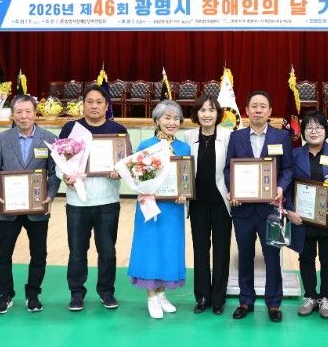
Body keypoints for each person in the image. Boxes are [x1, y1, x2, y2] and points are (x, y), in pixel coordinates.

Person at [224, 90, 294, 323]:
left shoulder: (281, 137)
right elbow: (228, 169)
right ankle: (246, 300)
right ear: (246, 110)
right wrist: (232, 189)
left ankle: (273, 303)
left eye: (263, 106)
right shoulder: (236, 137)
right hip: (243, 209)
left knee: (272, 256)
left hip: (269, 209)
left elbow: (287, 169)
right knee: (244, 255)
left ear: (270, 111)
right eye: (254, 106)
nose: (258, 110)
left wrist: (280, 188)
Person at [0, 94, 60, 314]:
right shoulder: (2, 138)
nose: (23, 116)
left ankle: (33, 294)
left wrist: (51, 194)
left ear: (35, 113)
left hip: (38, 206)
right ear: (12, 114)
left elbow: (55, 172)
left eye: (28, 111)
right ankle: (4, 295)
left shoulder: (49, 138)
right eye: (19, 112)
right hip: (8, 207)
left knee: (38, 253)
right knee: (3, 253)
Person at [60, 84, 129, 312]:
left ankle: (106, 291)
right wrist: (65, 176)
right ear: (83, 104)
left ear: (107, 105)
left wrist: (120, 171)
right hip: (77, 201)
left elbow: (127, 162)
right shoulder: (71, 128)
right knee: (77, 251)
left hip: (107, 200)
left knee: (107, 251)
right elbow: (59, 160)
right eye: (89, 101)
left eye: (99, 102)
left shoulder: (118, 130)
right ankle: (76, 293)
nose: (94, 106)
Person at [127, 99, 190, 319]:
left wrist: (184, 192)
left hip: (173, 207)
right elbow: (136, 177)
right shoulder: (145, 145)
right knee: (150, 247)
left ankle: (162, 293)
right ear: (157, 120)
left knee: (169, 247)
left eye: (176, 118)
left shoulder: (184, 147)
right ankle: (151, 296)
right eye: (167, 117)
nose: (172, 122)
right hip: (150, 206)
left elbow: (186, 178)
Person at [287, 110, 328, 319]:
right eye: (309, 127)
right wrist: (289, 210)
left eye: (318, 127)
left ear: (326, 130)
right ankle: (310, 297)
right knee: (306, 257)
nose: (313, 131)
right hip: (303, 218)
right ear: (303, 131)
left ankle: (325, 298)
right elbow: (286, 185)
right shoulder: (294, 154)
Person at [184, 94, 232, 315]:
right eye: (202, 110)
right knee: (200, 249)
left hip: (221, 202)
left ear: (218, 113)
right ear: (197, 114)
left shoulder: (228, 136)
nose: (207, 114)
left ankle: (219, 298)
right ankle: (202, 296)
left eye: (211, 110)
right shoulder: (188, 136)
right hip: (197, 203)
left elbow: (233, 168)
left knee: (221, 250)